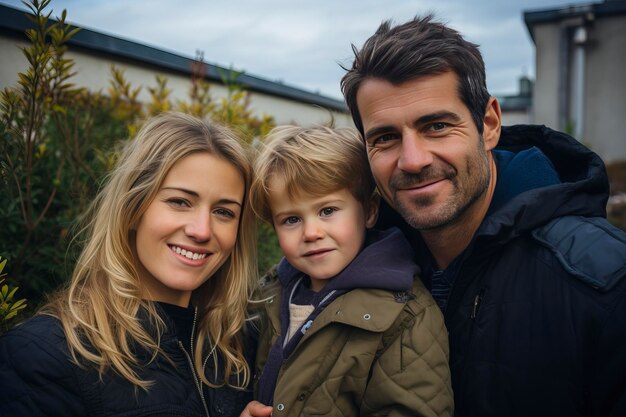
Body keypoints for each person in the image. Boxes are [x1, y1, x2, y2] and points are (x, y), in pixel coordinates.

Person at [340, 15, 626, 417]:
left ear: (489, 124)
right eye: (385, 137)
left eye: (437, 126)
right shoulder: (344, 268)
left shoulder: (607, 284)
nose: (413, 160)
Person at [0, 112, 259, 417]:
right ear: (133, 208)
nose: (202, 230)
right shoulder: (45, 355)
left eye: (224, 212)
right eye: (179, 202)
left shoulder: (241, 352)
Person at [241, 125, 453, 417]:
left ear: (368, 211)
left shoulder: (405, 316)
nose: (311, 232)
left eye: (327, 211)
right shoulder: (268, 295)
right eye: (291, 219)